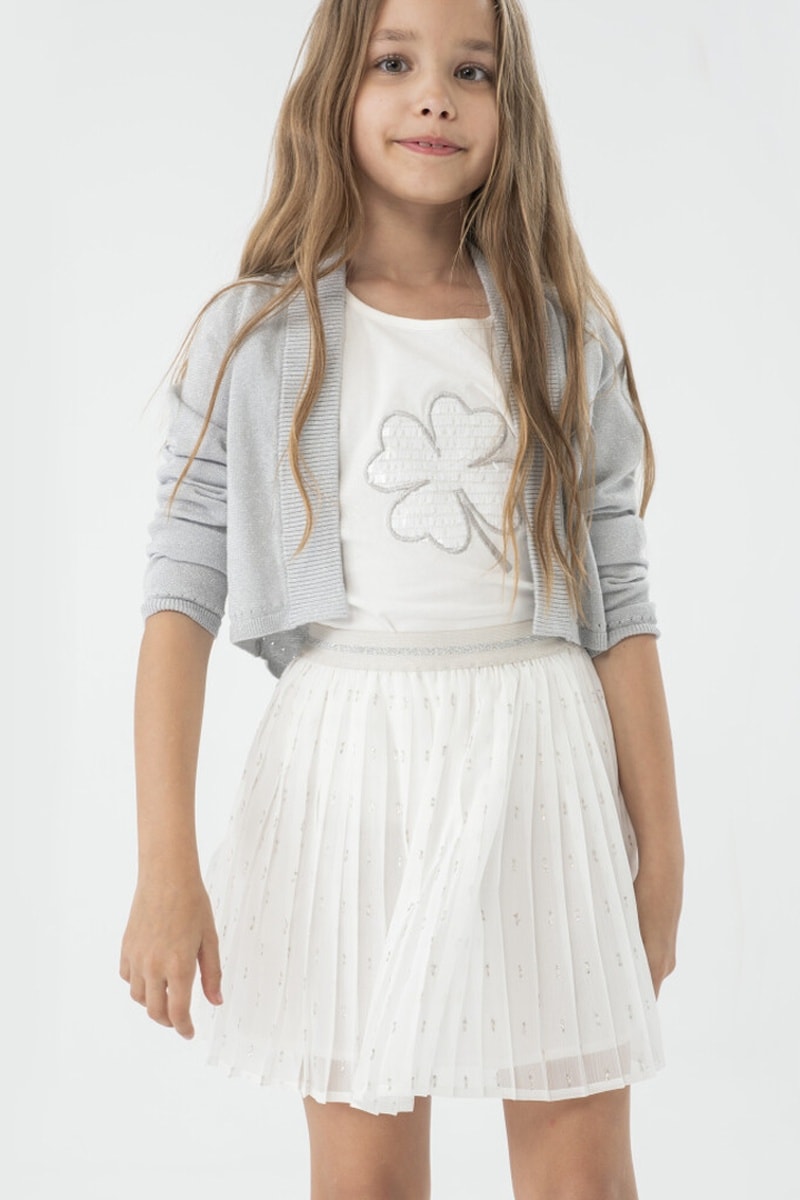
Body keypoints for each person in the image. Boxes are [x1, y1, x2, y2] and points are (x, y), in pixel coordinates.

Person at [120, 0, 684, 1196]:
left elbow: (617, 599)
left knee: (581, 1170)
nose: (434, 93)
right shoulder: (255, 335)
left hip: (542, 767)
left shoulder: (561, 336)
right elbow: (181, 594)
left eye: (470, 70)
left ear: (509, 107)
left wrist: (663, 846)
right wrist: (165, 861)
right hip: (348, 775)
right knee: (363, 1174)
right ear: (333, 89)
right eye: (393, 61)